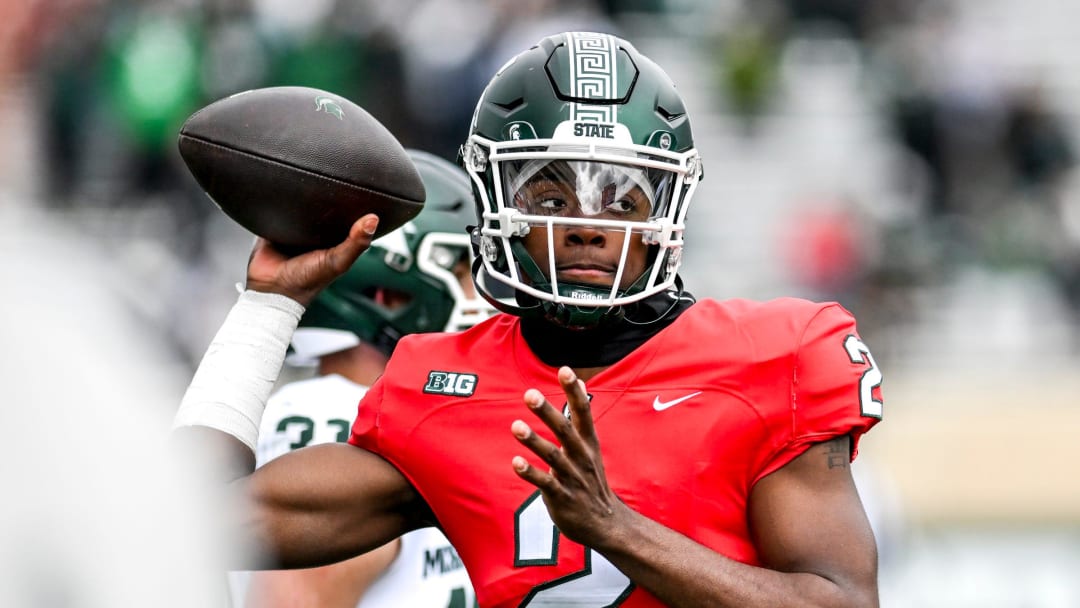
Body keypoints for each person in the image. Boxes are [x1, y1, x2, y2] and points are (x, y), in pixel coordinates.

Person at [174, 31, 885, 607]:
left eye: (621, 199)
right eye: (549, 197)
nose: (585, 224)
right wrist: (269, 305)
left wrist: (616, 529)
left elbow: (843, 603)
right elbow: (188, 520)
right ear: (493, 198)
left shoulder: (773, 357)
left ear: (665, 213)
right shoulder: (442, 386)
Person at [231, 150, 487, 607]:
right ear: (387, 294)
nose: (479, 300)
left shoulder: (393, 414)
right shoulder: (339, 424)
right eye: (460, 274)